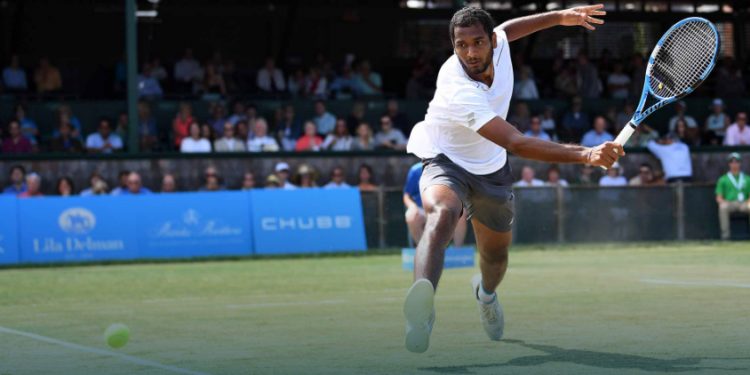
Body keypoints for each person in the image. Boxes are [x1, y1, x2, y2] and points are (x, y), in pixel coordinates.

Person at [402, 5, 621, 353]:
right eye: (461, 45)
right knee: (441, 214)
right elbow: (516, 142)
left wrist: (560, 16)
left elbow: (509, 28)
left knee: (495, 258)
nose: (470, 52)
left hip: (491, 169)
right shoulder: (457, 87)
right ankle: (421, 312)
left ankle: (486, 296)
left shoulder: (499, 41)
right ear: (453, 46)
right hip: (447, 160)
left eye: (477, 42)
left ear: (491, 41)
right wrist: (586, 154)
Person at [404, 162, 467, 248]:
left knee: (461, 213)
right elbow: (407, 195)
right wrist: (412, 207)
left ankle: (458, 251)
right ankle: (423, 250)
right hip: (422, 209)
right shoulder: (415, 170)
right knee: (411, 216)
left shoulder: (449, 168)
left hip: (445, 208)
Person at [715, 153, 750, 240]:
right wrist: (723, 202)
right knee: (723, 207)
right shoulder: (723, 179)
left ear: (740, 163)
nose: (734, 164)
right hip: (729, 203)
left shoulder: (747, 179)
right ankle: (725, 237)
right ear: (729, 164)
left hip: (744, 203)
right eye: (732, 162)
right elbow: (718, 197)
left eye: (736, 162)